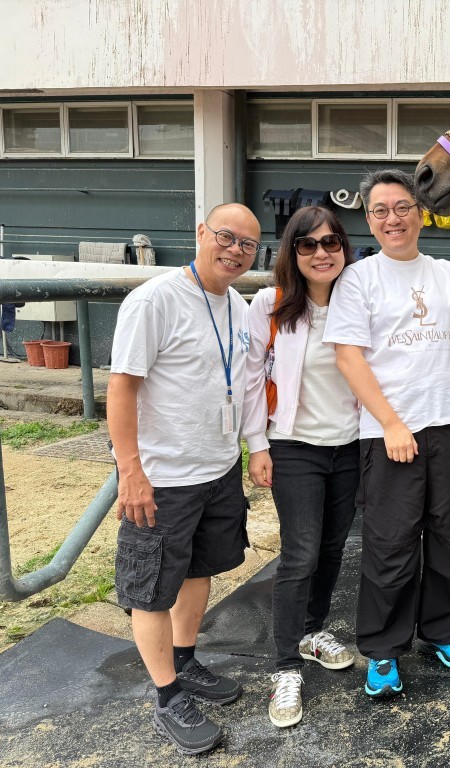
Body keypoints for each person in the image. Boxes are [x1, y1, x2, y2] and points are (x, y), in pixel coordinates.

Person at [324, 168, 450, 698]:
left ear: (421, 214)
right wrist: (391, 423)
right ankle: (384, 650)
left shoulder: (449, 274)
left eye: (402, 207)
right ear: (369, 220)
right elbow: (348, 357)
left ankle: (442, 632)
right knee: (390, 548)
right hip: (391, 433)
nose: (393, 218)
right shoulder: (358, 279)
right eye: (381, 211)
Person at [108, 203, 260, 755]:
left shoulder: (238, 306)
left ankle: (186, 660)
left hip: (217, 468)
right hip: (162, 476)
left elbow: (237, 385)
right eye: (226, 236)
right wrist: (131, 471)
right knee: (151, 590)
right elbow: (122, 387)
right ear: (201, 233)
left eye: (247, 244)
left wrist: (246, 451)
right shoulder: (155, 299)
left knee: (200, 570)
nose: (236, 250)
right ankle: (167, 696)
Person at [240, 206, 360, 728]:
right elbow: (247, 379)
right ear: (291, 252)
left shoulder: (359, 303)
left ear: (343, 249)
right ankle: (285, 665)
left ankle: (313, 631)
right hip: (294, 446)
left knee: (333, 546)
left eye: (330, 242)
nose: (320, 253)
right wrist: (256, 444)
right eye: (307, 244)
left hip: (350, 445)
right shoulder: (270, 304)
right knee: (300, 554)